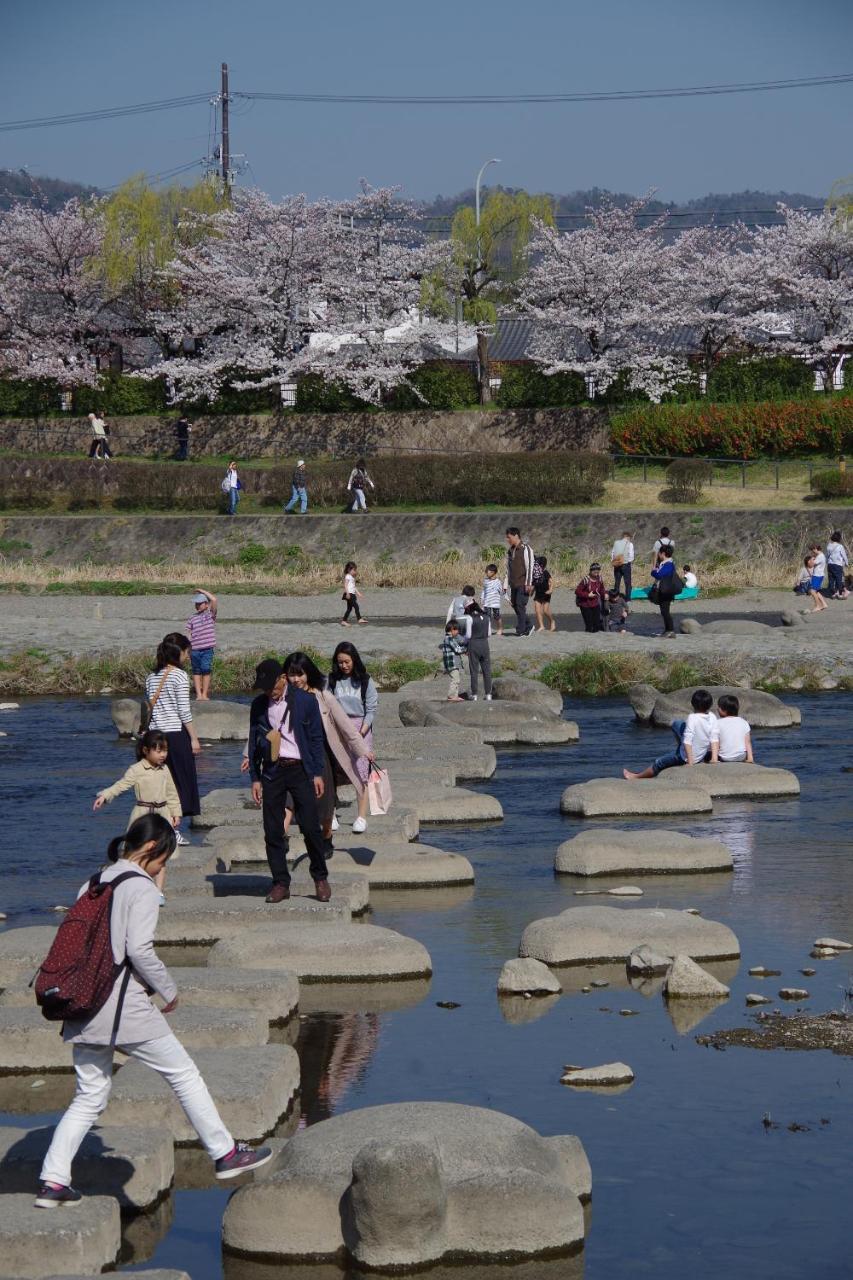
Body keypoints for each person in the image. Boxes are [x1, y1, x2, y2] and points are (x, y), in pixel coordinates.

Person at [33, 815, 272, 1208]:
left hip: (82, 1004)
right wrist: (169, 990)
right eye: (164, 859)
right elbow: (137, 949)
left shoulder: (93, 882)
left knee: (89, 1095)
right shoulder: (140, 887)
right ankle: (226, 1153)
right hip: (123, 1006)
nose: (163, 868)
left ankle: (53, 1181)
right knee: (184, 1075)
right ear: (150, 850)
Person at [249, 659, 331, 902]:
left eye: (271, 686)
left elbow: (316, 738)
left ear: (282, 678)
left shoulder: (305, 701)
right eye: (264, 688)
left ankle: (320, 878)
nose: (268, 692)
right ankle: (280, 883)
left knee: (310, 827)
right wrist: (255, 778)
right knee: (273, 830)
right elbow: (254, 742)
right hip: (272, 771)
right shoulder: (258, 705)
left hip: (300, 770)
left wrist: (317, 772)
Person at [283, 651, 374, 842]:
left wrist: (363, 751)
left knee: (324, 802)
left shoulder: (323, 697)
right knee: (289, 799)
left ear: (308, 673)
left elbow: (346, 727)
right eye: (292, 674)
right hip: (293, 754)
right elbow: (269, 724)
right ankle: (280, 839)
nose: (296, 679)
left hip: (321, 754)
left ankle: (326, 838)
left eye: (300, 674)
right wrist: (249, 754)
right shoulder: (283, 699)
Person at [93, 730, 181, 895]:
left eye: (165, 750)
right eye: (159, 750)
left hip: (163, 814)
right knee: (139, 853)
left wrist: (176, 813)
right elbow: (121, 785)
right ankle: (140, 887)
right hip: (143, 815)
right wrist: (104, 796)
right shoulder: (136, 769)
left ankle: (159, 892)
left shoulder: (165, 769)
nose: (163, 754)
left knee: (161, 856)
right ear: (146, 750)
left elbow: (172, 793)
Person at [145, 635, 201, 845]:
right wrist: (194, 739)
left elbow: (150, 710)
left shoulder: (151, 677)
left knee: (160, 785)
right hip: (175, 736)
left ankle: (161, 829)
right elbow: (183, 712)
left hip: (154, 737)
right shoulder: (178, 676)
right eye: (187, 651)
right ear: (179, 652)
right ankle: (172, 830)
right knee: (180, 785)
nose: (188, 656)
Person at [328, 643, 378, 834]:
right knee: (333, 771)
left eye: (347, 661)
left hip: (360, 729)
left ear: (354, 660)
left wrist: (361, 733)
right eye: (340, 662)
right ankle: (331, 814)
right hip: (338, 730)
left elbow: (371, 710)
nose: (344, 666)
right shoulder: (332, 680)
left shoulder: (365, 681)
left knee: (361, 773)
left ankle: (361, 817)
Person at [623, 689, 716, 779]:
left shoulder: (692, 718)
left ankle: (636, 776)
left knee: (659, 762)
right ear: (710, 705)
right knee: (677, 724)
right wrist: (714, 759)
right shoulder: (712, 717)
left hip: (685, 757)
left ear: (692, 704)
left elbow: (687, 741)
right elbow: (714, 738)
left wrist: (690, 762)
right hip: (700, 754)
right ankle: (680, 747)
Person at [186, 588, 218, 701]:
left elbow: (214, 599)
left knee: (206, 669)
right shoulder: (192, 618)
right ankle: (198, 695)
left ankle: (204, 694)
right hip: (194, 649)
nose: (198, 605)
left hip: (207, 649)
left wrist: (202, 591)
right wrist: (188, 649)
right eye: (196, 603)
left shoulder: (210, 615)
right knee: (196, 671)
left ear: (206, 604)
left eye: (200, 603)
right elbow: (189, 634)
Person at [503, 527, 535, 637]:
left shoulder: (526, 549)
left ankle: (521, 630)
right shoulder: (510, 550)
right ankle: (529, 625)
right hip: (513, 584)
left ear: (516, 535)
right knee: (515, 605)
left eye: (509, 537)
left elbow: (530, 567)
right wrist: (505, 585)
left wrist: (529, 583)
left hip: (524, 583)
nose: (508, 539)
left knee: (520, 605)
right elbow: (508, 569)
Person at [710, 694, 753, 764]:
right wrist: (750, 758)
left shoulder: (717, 723)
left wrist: (714, 758)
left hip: (724, 757)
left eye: (719, 707)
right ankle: (750, 758)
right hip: (741, 756)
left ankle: (714, 758)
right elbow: (747, 742)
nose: (717, 709)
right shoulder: (744, 722)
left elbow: (715, 741)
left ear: (724, 710)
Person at [464, 601, 492, 700]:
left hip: (474, 644)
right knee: (487, 671)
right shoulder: (487, 617)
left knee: (474, 670)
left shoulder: (469, 618)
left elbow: (468, 635)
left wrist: (464, 644)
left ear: (469, 609)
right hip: (485, 644)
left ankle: (475, 694)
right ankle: (488, 694)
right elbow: (489, 634)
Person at [651, 545, 680, 637]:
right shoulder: (667, 563)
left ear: (663, 553)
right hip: (665, 590)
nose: (658, 555)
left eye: (659, 553)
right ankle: (668, 630)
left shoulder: (668, 564)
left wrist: (653, 572)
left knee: (665, 611)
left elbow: (659, 575)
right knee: (664, 611)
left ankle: (670, 630)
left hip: (666, 591)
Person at [575, 562, 606, 632]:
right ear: (591, 571)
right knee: (589, 625)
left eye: (598, 570)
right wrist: (588, 595)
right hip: (585, 604)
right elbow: (577, 591)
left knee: (597, 625)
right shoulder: (585, 580)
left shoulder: (599, 578)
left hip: (595, 603)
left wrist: (605, 594)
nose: (596, 572)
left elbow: (602, 589)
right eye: (594, 570)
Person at [440, 621, 465, 702]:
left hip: (452, 664)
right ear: (452, 630)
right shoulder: (449, 639)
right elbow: (457, 649)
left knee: (457, 679)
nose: (458, 632)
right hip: (452, 664)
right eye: (457, 630)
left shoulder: (448, 638)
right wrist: (466, 649)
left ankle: (455, 696)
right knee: (455, 679)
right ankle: (451, 696)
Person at [533, 556, 555, 632]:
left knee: (545, 611)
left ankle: (552, 621)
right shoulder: (535, 573)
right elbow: (534, 583)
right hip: (538, 593)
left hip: (546, 593)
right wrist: (532, 591)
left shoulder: (545, 572)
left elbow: (551, 581)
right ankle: (541, 626)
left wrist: (551, 589)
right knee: (537, 610)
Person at [481, 563, 504, 637]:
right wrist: (482, 598)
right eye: (486, 571)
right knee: (487, 617)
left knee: (497, 616)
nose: (487, 573)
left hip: (495, 603)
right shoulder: (485, 581)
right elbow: (484, 590)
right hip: (487, 602)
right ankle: (488, 630)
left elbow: (502, 592)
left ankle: (500, 628)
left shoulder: (498, 582)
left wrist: (507, 598)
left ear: (493, 572)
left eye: (488, 571)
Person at [341, 561, 367, 626]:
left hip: (352, 594)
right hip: (349, 594)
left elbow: (354, 587)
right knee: (356, 606)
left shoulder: (352, 578)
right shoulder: (348, 576)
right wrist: (347, 593)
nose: (355, 571)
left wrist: (358, 593)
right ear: (349, 570)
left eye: (355, 570)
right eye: (354, 570)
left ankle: (344, 621)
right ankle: (359, 619)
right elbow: (345, 585)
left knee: (349, 609)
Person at [610, 530, 634, 598]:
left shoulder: (616, 542)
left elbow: (612, 553)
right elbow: (631, 556)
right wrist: (627, 561)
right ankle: (628, 598)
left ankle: (615, 596)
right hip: (626, 565)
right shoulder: (630, 544)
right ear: (627, 536)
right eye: (629, 537)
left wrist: (615, 562)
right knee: (627, 583)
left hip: (617, 564)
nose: (630, 539)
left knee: (617, 582)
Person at [826, 531, 849, 599]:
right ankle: (840, 594)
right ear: (839, 538)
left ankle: (833, 593)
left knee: (831, 579)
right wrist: (846, 563)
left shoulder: (829, 545)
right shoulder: (840, 546)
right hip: (837, 565)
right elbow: (844, 555)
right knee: (838, 579)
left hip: (830, 565)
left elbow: (827, 556)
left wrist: (826, 562)